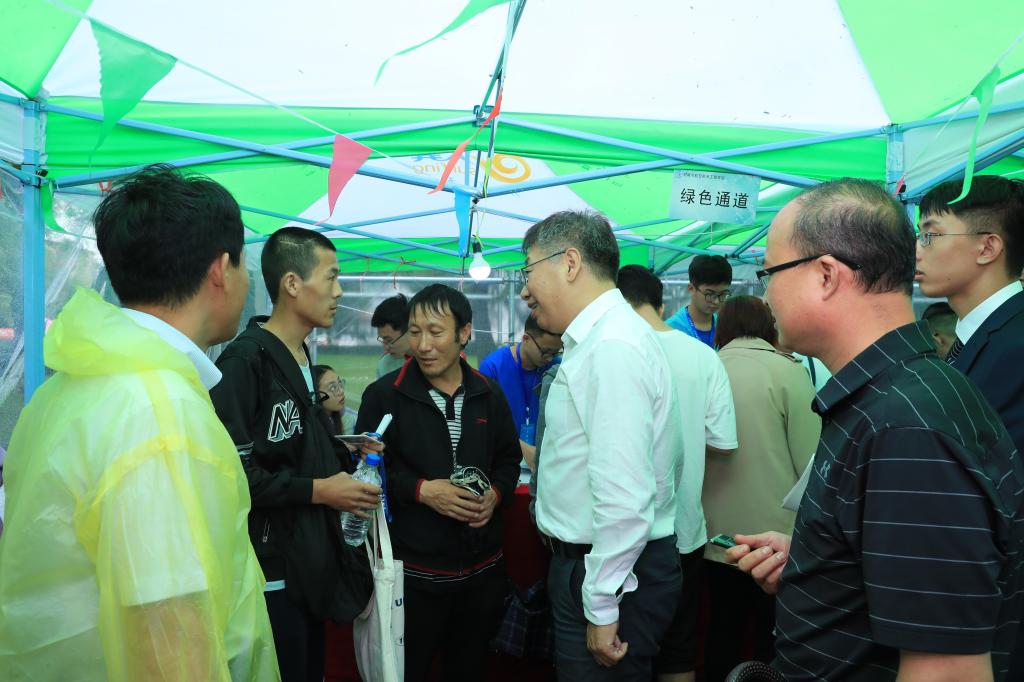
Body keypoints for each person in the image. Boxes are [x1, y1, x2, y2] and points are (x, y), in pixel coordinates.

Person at [728, 178, 1024, 682]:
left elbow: (947, 670)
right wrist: (823, 559)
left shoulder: (905, 429)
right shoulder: (890, 397)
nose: (764, 292)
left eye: (769, 272)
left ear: (826, 275)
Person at [0, 166, 277, 680]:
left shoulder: (68, 386)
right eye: (245, 266)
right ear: (221, 269)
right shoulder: (158, 409)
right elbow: (167, 640)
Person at [210, 226, 382, 682]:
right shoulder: (245, 362)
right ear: (291, 283)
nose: (339, 292)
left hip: (308, 562)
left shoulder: (302, 356)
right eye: (331, 278)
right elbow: (232, 475)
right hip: (268, 572)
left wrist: (342, 448)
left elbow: (288, 447)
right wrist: (320, 490)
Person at [522, 210, 684, 680]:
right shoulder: (599, 340)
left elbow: (625, 494)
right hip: (602, 569)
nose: (525, 290)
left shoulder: (612, 345)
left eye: (529, 270)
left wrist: (601, 603)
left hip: (612, 576)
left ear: (570, 263)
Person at [356, 283, 521, 682]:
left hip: (481, 575)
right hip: (414, 578)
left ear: (464, 333)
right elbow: (363, 473)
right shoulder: (384, 396)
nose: (423, 345)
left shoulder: (488, 393)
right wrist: (422, 491)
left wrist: (495, 495)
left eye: (435, 332)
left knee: (468, 670)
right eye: (415, 332)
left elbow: (508, 459)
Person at [916, 175, 1024, 676]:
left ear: (988, 247)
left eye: (932, 234)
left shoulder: (1014, 342)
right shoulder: (978, 336)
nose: (918, 249)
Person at [616, 265, 738, 682]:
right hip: (684, 528)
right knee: (678, 649)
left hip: (621, 532)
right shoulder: (704, 356)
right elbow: (723, 442)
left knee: (618, 649)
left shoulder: (613, 353)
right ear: (660, 302)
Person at [703, 295, 820, 682]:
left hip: (713, 535)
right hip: (776, 540)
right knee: (773, 639)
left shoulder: (708, 368)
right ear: (769, 327)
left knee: (723, 630)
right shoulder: (788, 372)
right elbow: (811, 463)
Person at [479, 315, 563, 472]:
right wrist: (522, 447)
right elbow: (484, 424)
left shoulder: (557, 368)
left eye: (556, 353)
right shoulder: (493, 367)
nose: (549, 358)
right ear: (526, 339)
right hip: (502, 461)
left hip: (546, 463)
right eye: (545, 352)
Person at [665, 254, 732, 348]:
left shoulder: (726, 328)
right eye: (710, 294)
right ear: (691, 289)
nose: (716, 301)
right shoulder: (671, 329)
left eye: (723, 294)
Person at [372, 293, 412, 378]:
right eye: (382, 340)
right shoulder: (384, 365)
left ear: (410, 331)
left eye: (389, 340)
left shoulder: (431, 361)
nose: (386, 348)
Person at [313, 364, 354, 435]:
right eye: (333, 388)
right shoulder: (306, 425)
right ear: (315, 394)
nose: (341, 391)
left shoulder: (350, 418)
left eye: (340, 383)